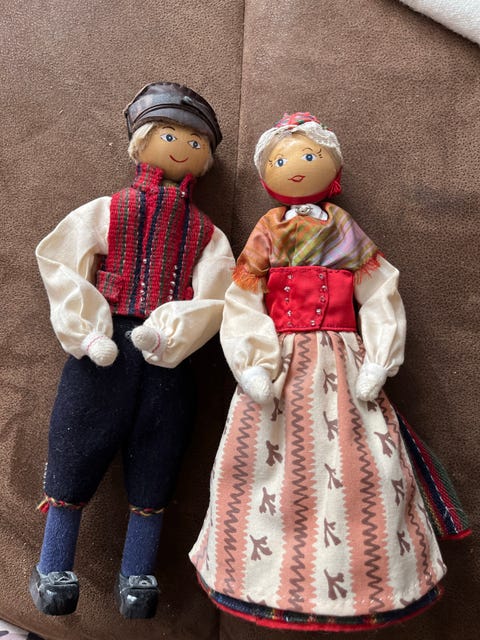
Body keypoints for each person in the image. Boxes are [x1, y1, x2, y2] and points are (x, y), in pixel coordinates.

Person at [190, 112, 469, 631]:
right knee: (261, 468)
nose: (296, 166)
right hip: (278, 367)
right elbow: (242, 299)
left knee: (366, 465)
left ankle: (371, 580)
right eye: (281, 159)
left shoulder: (343, 228)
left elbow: (380, 292)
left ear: (331, 166)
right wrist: (253, 364)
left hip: (345, 361)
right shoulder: (266, 232)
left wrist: (379, 359)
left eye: (308, 155)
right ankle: (256, 575)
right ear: (266, 174)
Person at [30, 82, 234, 618]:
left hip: (168, 360)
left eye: (194, 142)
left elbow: (218, 297)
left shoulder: (206, 233)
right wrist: (87, 332)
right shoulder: (109, 209)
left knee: (158, 457)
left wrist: (170, 333)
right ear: (141, 142)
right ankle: (52, 566)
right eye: (169, 135)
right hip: (104, 350)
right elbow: (60, 259)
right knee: (75, 446)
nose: (181, 148)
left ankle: (137, 575)